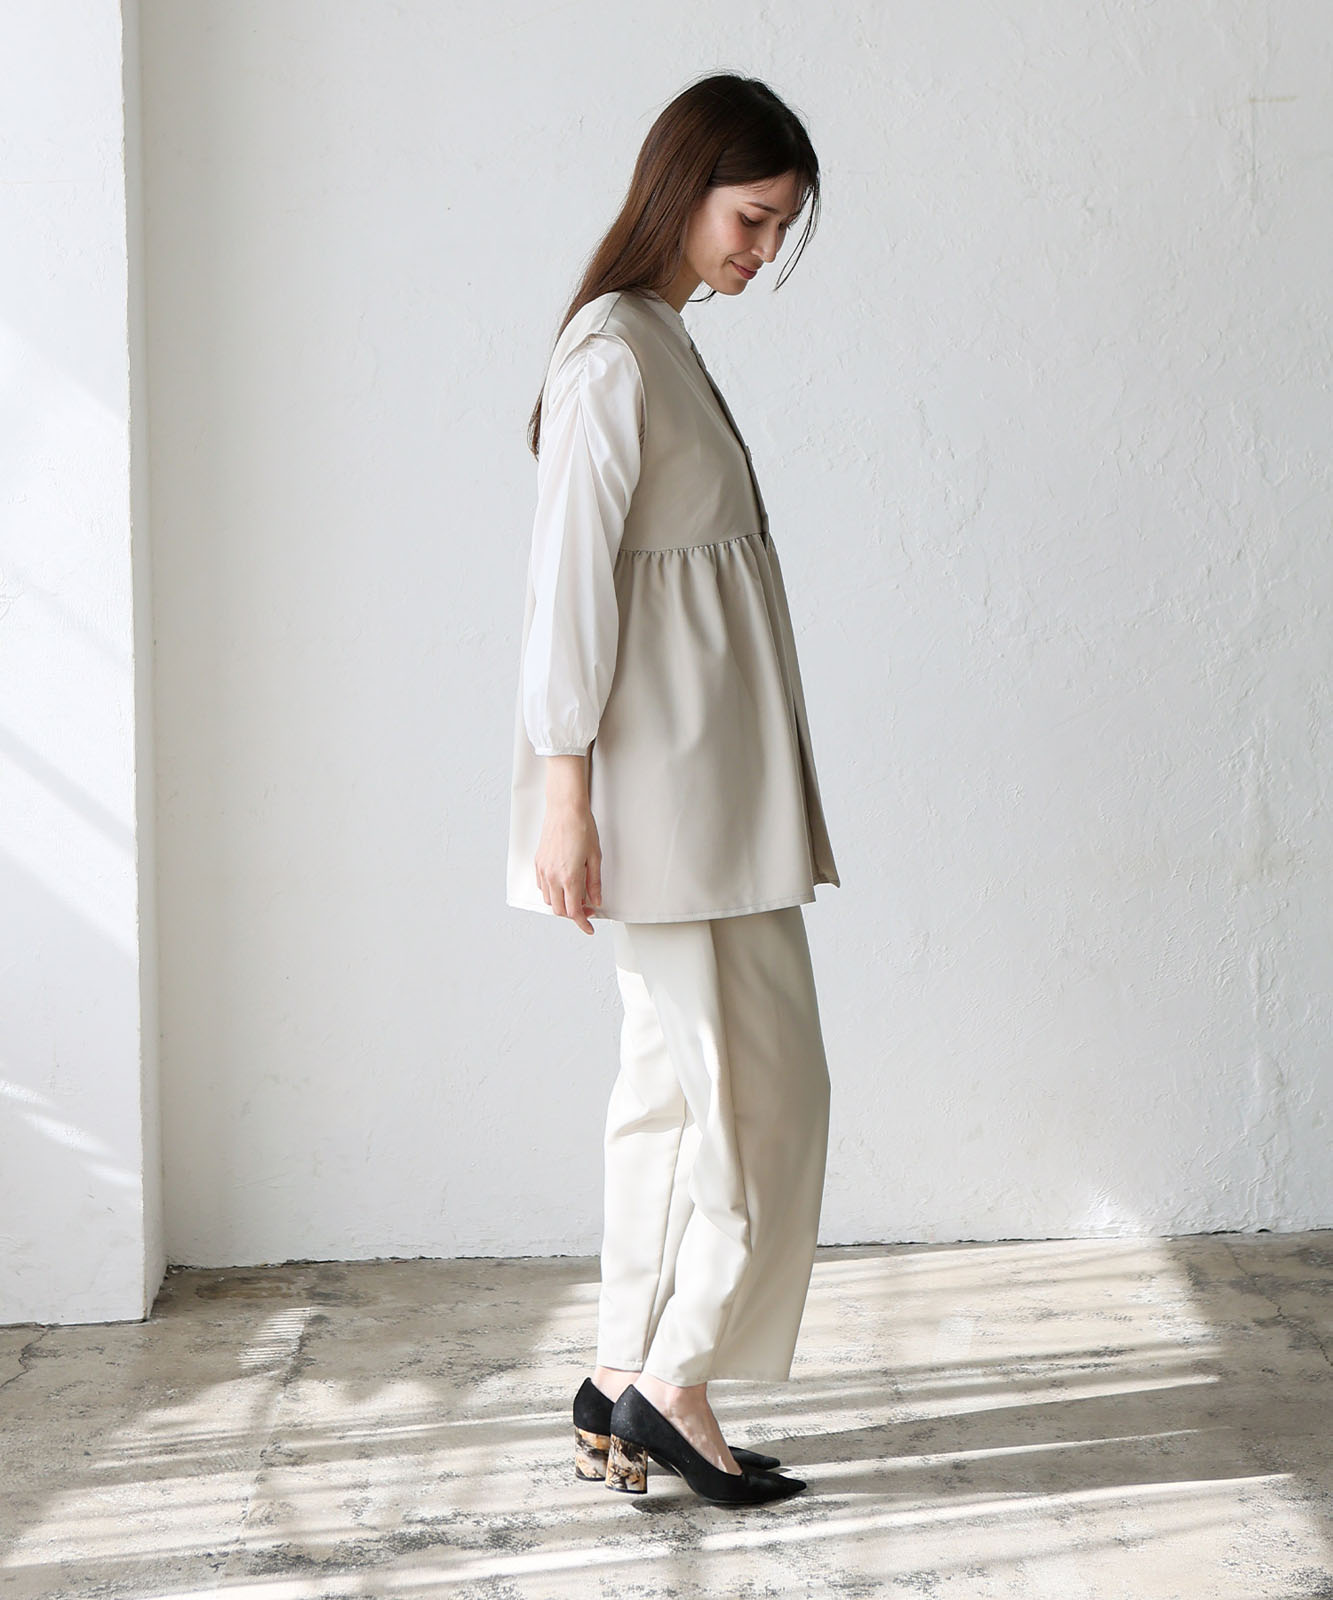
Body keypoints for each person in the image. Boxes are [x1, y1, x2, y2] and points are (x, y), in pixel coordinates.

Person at [505, 72, 841, 1507]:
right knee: (757, 1099)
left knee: (669, 1091)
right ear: (681, 186)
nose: (762, 251)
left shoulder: (656, 339)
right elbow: (568, 596)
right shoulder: (613, 357)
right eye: (749, 218)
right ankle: (674, 1382)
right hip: (673, 807)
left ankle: (621, 1369)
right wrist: (564, 796)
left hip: (709, 800)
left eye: (780, 229)